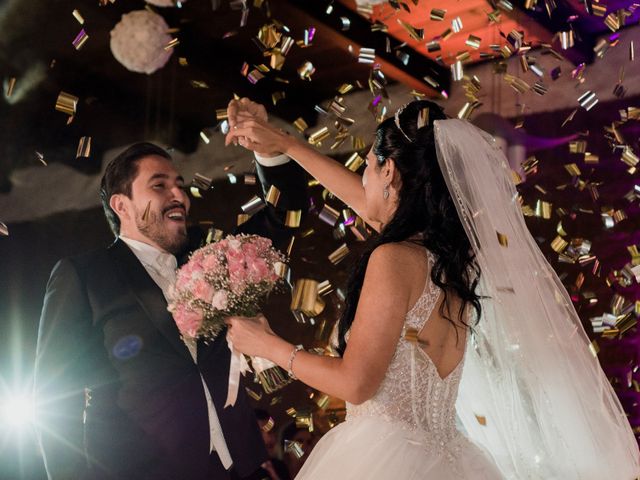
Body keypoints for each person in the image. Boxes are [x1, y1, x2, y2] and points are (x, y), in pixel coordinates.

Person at [223, 99, 640, 479]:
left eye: (368, 165)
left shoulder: (394, 259)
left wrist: (267, 345)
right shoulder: (454, 262)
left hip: (380, 461)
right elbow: (368, 203)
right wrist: (283, 143)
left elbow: (356, 383)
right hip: (449, 459)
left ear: (388, 171)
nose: (362, 180)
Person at [33, 100, 308, 480]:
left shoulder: (211, 254)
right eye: (159, 185)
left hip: (242, 468)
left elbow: (287, 214)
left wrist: (268, 146)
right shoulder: (83, 275)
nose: (179, 195)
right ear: (121, 205)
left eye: (180, 184)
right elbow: (54, 400)